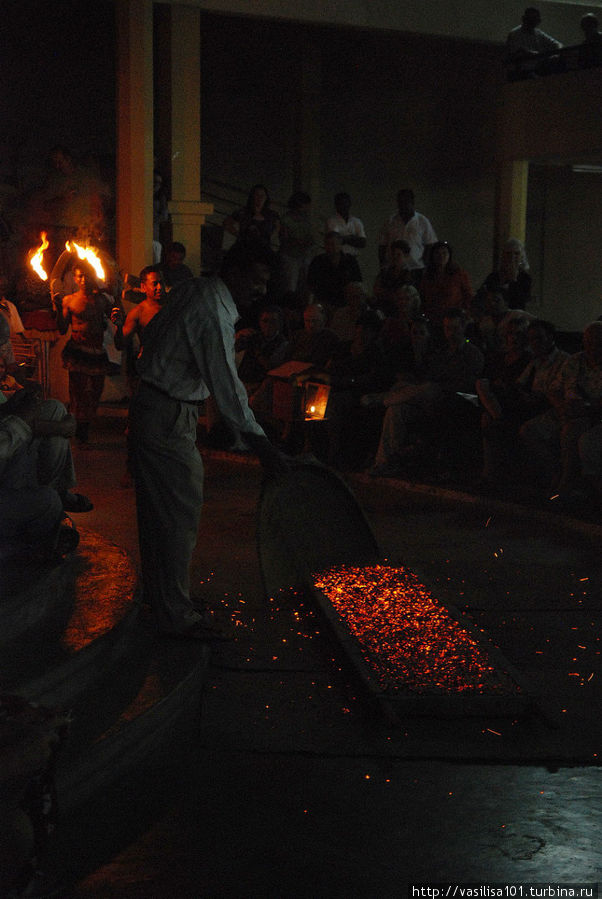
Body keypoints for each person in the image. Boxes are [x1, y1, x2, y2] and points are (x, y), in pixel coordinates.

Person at [128, 245, 288, 640]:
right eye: (255, 280)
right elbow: (228, 389)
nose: (259, 290)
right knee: (177, 516)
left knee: (159, 516)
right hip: (167, 415)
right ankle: (175, 615)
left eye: (265, 283)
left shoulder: (194, 290)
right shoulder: (211, 310)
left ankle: (165, 601)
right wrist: (264, 447)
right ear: (233, 272)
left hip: (156, 407)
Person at [57, 261, 115, 444]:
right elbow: (61, 329)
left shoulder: (103, 300)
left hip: (97, 350)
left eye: (86, 275)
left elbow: (116, 313)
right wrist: (58, 308)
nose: (83, 279)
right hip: (77, 350)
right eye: (79, 276)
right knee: (78, 392)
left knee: (95, 392)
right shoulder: (69, 300)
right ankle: (80, 431)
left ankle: (84, 426)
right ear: (74, 278)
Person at [378, 189, 437, 283]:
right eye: (400, 202)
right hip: (394, 269)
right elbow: (382, 245)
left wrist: (426, 266)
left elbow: (430, 244)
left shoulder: (422, 221)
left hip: (416, 268)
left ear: (412, 202)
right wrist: (383, 266)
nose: (402, 205)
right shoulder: (390, 222)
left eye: (406, 201)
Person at [419, 241, 473, 333]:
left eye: (444, 253)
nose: (441, 256)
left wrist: (465, 313)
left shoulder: (458, 274)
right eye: (437, 253)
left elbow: (468, 295)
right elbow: (423, 297)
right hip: (433, 321)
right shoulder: (427, 276)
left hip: (454, 321)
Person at [306, 231, 362, 311]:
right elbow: (311, 284)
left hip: (346, 303)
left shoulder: (350, 261)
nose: (331, 247)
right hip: (324, 303)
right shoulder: (318, 261)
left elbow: (357, 282)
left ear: (340, 245)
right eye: (328, 244)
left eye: (334, 244)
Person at [505, 7, 562, 80]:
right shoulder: (515, 34)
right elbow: (521, 52)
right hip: (519, 72)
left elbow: (557, 44)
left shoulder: (538, 33)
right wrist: (543, 55)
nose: (532, 22)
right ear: (524, 19)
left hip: (535, 69)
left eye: (534, 20)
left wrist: (557, 53)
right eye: (530, 19)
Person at [278, 192, 314, 299]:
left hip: (304, 256)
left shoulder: (306, 219)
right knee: (290, 285)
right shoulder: (286, 219)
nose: (307, 208)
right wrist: (298, 242)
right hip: (290, 256)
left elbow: (311, 237)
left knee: (305, 285)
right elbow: (284, 239)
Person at [223, 184, 280, 251]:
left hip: (263, 248)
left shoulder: (272, 214)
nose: (260, 198)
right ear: (252, 196)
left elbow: (278, 227)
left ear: (266, 197)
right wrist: (238, 234)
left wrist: (271, 236)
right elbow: (226, 223)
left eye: (262, 195)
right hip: (245, 247)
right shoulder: (243, 212)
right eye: (257, 195)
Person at [479, 238, 532, 310]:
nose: (512, 257)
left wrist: (513, 280)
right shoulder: (493, 276)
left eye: (516, 253)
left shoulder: (525, 278)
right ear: (503, 256)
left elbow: (520, 302)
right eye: (509, 253)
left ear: (521, 257)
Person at [325, 192, 366, 263]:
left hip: (354, 259)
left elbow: (363, 243)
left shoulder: (356, 221)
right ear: (336, 205)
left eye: (345, 203)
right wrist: (352, 238)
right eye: (340, 203)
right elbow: (334, 242)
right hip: (337, 260)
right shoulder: (331, 221)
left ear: (350, 204)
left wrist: (344, 239)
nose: (343, 206)